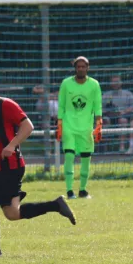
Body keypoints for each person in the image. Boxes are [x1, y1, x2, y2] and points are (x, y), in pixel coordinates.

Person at [0, 70, 76, 257]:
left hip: (10, 166)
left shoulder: (5, 105)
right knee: (12, 213)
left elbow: (28, 126)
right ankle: (56, 205)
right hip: (1, 167)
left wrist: (12, 145)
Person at [57, 56, 102, 199]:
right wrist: (59, 125)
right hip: (69, 125)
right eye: (78, 66)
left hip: (86, 127)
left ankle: (83, 190)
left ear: (87, 68)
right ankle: (69, 191)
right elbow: (61, 105)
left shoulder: (94, 84)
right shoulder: (66, 83)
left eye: (83, 66)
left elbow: (97, 105)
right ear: (75, 68)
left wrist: (99, 124)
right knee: (69, 156)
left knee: (86, 158)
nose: (81, 69)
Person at [102, 75, 133, 154]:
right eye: (114, 81)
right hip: (110, 118)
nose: (116, 83)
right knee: (103, 121)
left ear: (121, 82)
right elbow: (100, 108)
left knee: (123, 121)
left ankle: (122, 147)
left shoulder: (128, 93)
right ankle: (102, 149)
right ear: (110, 83)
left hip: (125, 117)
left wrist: (124, 111)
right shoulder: (106, 95)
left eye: (117, 81)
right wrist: (109, 111)